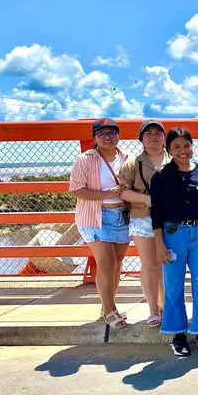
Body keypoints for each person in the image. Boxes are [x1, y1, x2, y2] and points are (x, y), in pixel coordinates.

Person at [151, 128, 198, 357]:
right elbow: (157, 212)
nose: (182, 151)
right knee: (173, 285)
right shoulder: (161, 175)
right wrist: (160, 244)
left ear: (192, 145)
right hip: (173, 235)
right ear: (169, 149)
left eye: (186, 145)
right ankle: (177, 333)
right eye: (176, 147)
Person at [69, 118, 130, 329]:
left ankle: (107, 307)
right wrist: (106, 193)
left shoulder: (125, 158)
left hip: (122, 215)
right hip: (96, 216)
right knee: (106, 263)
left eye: (112, 133)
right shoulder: (85, 159)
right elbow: (76, 189)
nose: (107, 137)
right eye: (102, 134)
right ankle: (110, 310)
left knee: (118, 262)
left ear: (118, 135)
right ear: (95, 137)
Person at [118, 119, 169, 328]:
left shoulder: (174, 159)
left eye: (158, 132)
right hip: (143, 218)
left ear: (165, 137)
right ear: (141, 138)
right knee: (149, 265)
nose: (154, 136)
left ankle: (167, 305)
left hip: (170, 218)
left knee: (168, 264)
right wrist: (147, 199)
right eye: (149, 133)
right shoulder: (132, 163)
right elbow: (123, 191)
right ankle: (153, 309)